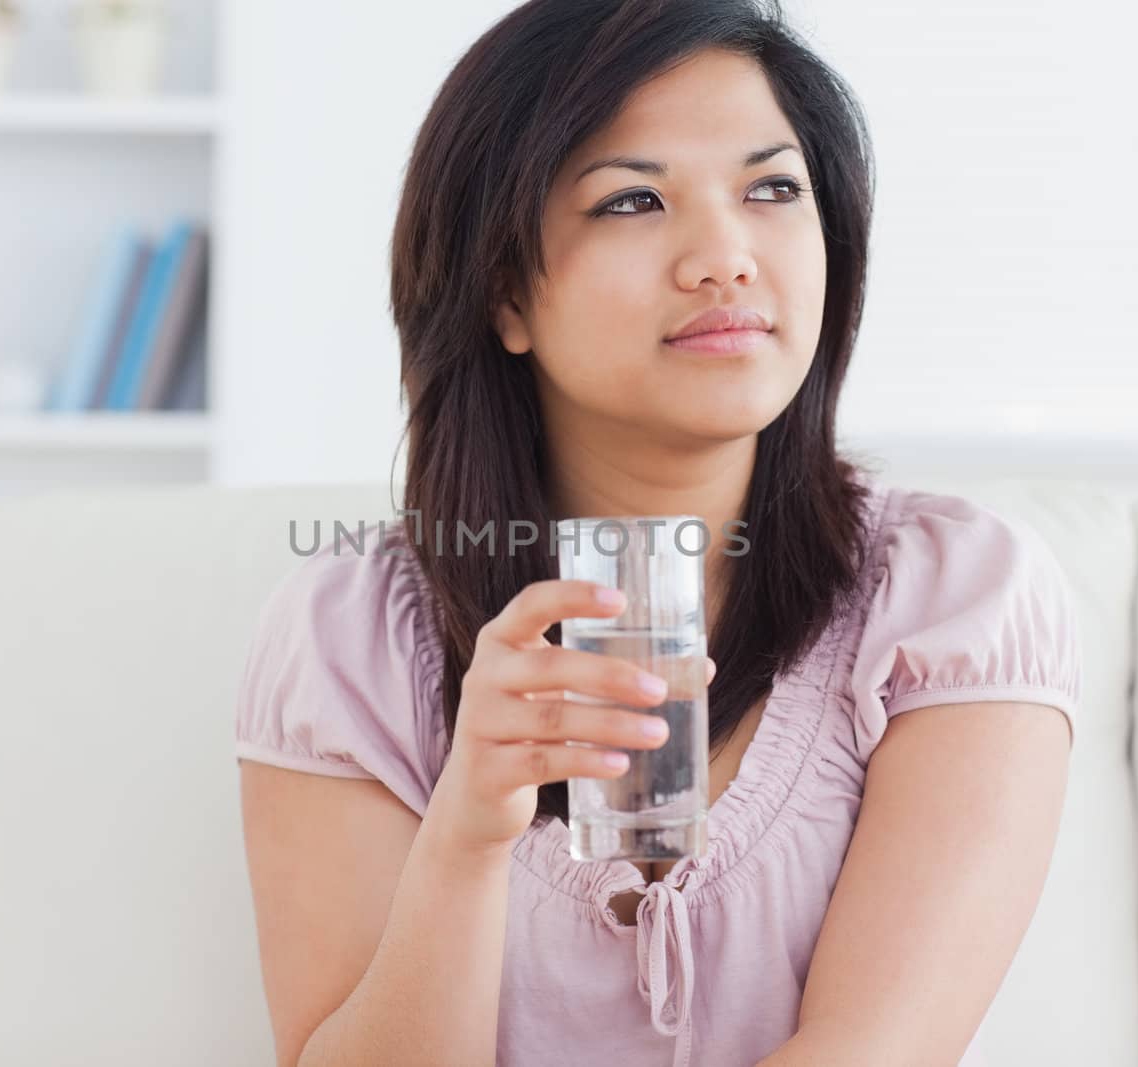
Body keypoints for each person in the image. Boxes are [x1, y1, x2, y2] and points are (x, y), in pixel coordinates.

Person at [235, 1, 1081, 1064]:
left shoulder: (956, 598)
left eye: (771, 187)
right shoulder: (346, 632)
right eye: (633, 199)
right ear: (504, 291)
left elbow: (871, 1050)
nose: (725, 256)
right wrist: (468, 829)